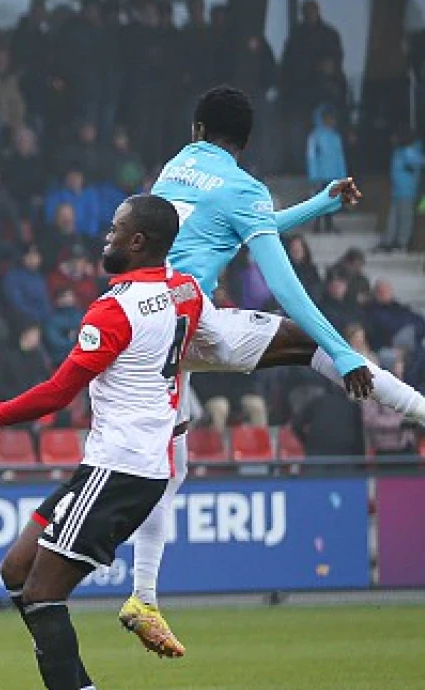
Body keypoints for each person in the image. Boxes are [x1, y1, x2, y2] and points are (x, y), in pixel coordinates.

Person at [127, 86, 425, 656]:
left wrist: (319, 203)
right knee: (308, 345)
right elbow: (284, 282)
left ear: (197, 130)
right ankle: (417, 407)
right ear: (245, 142)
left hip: (146, 323)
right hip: (193, 322)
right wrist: (339, 349)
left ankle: (143, 595)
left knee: (174, 465)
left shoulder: (178, 166)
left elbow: (241, 221)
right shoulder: (244, 187)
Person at [0, 195, 203, 690]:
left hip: (120, 469)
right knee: (16, 570)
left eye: (116, 230)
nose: (105, 237)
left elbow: (56, 393)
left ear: (139, 240)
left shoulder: (112, 312)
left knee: (44, 592)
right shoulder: (187, 290)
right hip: (119, 461)